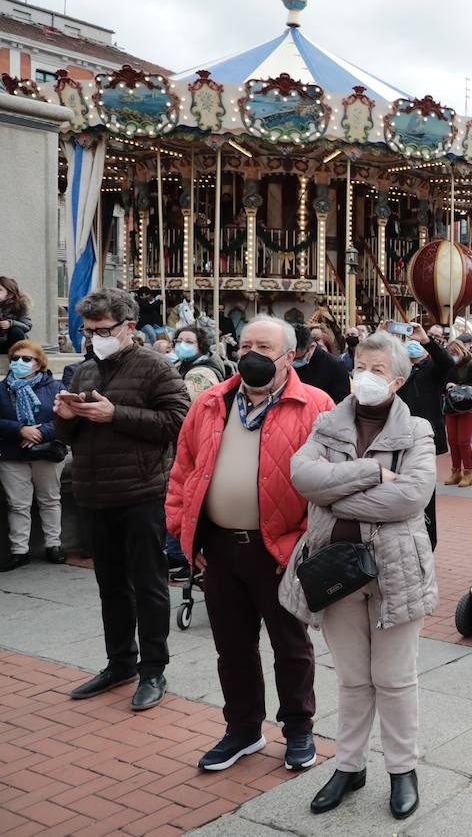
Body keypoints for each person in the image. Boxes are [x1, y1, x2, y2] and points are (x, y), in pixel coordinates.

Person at [166, 316, 333, 772]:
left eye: (264, 346)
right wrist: (187, 533)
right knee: (232, 646)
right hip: (219, 547)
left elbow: (333, 488)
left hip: (281, 550)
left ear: (290, 356)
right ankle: (242, 729)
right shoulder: (210, 401)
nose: (251, 354)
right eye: (245, 345)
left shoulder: (316, 405)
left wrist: (305, 548)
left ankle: (298, 728)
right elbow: (183, 472)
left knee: (290, 646)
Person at [283, 332, 436, 820]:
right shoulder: (328, 423)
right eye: (359, 366)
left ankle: (401, 769)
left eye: (376, 370)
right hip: (334, 568)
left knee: (394, 678)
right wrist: (372, 474)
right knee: (352, 679)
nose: (364, 376)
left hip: (395, 570)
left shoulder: (417, 432)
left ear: (396, 379)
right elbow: (304, 477)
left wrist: (335, 491)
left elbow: (411, 497)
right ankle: (349, 766)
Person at [56, 288, 190, 711]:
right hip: (96, 492)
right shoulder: (85, 371)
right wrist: (64, 419)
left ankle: (153, 669)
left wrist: (117, 414)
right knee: (110, 585)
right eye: (89, 330)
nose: (95, 337)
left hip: (141, 492)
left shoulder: (154, 367)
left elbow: (179, 422)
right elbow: (70, 436)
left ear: (129, 327)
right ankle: (120, 663)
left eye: (103, 329)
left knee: (149, 585)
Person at [0, 341, 65, 569]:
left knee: (50, 500)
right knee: (17, 504)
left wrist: (40, 433)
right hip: (12, 453)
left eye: (26, 359)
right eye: (15, 358)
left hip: (45, 452)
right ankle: (20, 551)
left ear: (39, 364)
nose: (19, 363)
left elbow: (65, 418)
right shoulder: (2, 387)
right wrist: (19, 429)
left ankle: (53, 545)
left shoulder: (56, 387)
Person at [393, 321, 453, 548]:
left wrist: (426, 340)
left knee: (425, 487)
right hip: (396, 435)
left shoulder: (432, 368)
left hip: (425, 437)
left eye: (414, 340)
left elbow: (448, 364)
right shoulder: (397, 369)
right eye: (407, 339)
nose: (412, 344)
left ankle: (428, 539)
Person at [441, 336, 472, 487]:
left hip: (469, 408)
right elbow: (442, 384)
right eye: (450, 352)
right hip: (452, 407)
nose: (453, 355)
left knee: (463, 441)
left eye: (455, 352)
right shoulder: (449, 367)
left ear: (462, 351)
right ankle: (455, 472)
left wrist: (458, 385)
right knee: (452, 441)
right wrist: (447, 386)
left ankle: (468, 473)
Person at [291, 324, 351, 404]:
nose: (292, 362)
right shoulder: (284, 362)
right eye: (290, 357)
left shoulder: (335, 366)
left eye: (298, 358)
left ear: (312, 347)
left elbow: (342, 404)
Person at [174, 325, 226, 400]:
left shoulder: (201, 373)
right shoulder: (182, 364)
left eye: (189, 342)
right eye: (179, 341)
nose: (182, 345)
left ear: (200, 345)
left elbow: (184, 401)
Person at [0, 276, 33, 354]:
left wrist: (11, 323)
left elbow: (27, 325)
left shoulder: (18, 307)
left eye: (0, 290)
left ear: (10, 294)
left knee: (16, 331)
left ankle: (18, 354)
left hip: (10, 343)